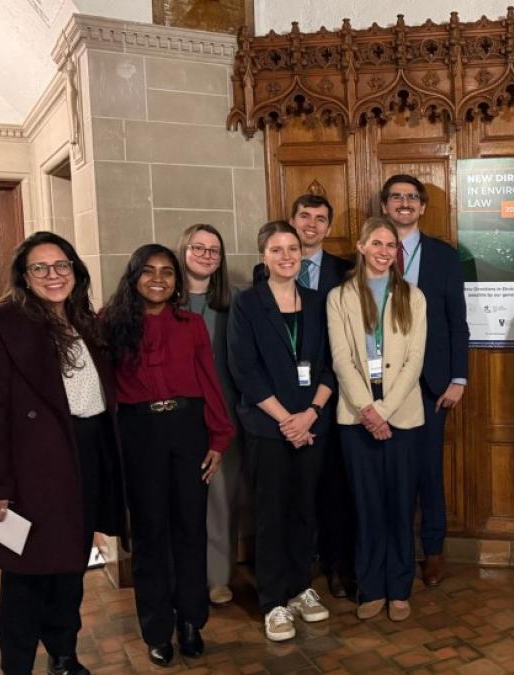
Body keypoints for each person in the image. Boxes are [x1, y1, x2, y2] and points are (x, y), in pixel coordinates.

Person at [0, 232, 127, 675]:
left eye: (62, 266)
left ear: (75, 271)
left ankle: (63, 654)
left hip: (87, 454)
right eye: (40, 267)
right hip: (34, 466)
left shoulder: (83, 320)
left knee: (70, 565)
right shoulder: (0, 323)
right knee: (26, 574)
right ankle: (16, 665)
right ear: (24, 275)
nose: (53, 275)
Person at [103, 244, 234, 666]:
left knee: (190, 530)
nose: (158, 278)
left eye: (167, 272)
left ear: (177, 281)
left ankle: (191, 621)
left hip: (187, 429)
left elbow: (209, 382)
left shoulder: (191, 324)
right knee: (150, 536)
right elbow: (104, 393)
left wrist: (218, 438)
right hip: (139, 432)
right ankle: (157, 629)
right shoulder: (111, 323)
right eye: (149, 271)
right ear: (134, 276)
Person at [229, 220, 336, 642]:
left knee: (304, 510)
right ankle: (273, 601)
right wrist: (286, 420)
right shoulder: (248, 304)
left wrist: (310, 414)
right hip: (268, 428)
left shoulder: (318, 301)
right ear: (264, 256)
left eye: (293, 248)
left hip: (312, 425)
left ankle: (298, 588)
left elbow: (331, 364)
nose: (287, 255)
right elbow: (246, 374)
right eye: (277, 249)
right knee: (271, 515)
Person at [327, 217, 428, 622]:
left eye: (391, 245)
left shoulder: (413, 297)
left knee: (401, 505)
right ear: (362, 245)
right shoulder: (339, 296)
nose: (385, 251)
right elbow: (341, 358)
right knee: (366, 506)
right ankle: (370, 586)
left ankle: (399, 588)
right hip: (356, 415)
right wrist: (368, 410)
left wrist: (384, 411)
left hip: (403, 415)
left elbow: (414, 360)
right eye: (377, 243)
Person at [379, 174, 469, 586]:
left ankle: (433, 550)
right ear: (384, 206)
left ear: (422, 206)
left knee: (428, 471)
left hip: (432, 382)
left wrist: (458, 377)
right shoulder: (370, 252)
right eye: (396, 197)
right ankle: (389, 548)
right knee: (385, 472)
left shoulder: (444, 256)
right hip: (380, 380)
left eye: (411, 197)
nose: (404, 203)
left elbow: (457, 321)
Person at [278, 193, 358, 599]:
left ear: (329, 227)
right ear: (291, 221)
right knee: (293, 492)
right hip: (286, 404)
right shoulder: (266, 273)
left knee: (335, 487)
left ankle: (337, 565)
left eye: (320, 218)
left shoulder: (347, 271)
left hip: (335, 394)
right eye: (304, 216)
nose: (311, 224)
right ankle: (297, 569)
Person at [178, 224, 243, 608]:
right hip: (179, 417)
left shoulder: (234, 302)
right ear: (183, 250)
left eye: (214, 250)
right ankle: (185, 574)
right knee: (181, 500)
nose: (206, 255)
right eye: (198, 248)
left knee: (221, 499)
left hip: (224, 413)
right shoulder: (164, 300)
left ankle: (218, 576)